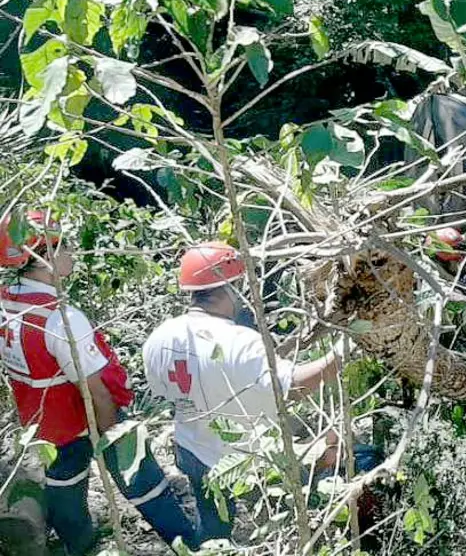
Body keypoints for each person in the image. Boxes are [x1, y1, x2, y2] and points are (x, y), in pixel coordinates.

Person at [0, 210, 197, 555]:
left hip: (44, 425)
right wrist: (113, 436)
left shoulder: (7, 300)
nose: (71, 252)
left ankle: (80, 545)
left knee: (65, 490)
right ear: (41, 257)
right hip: (85, 420)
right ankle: (188, 543)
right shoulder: (61, 319)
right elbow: (95, 390)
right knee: (142, 482)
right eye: (63, 246)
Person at [142, 242, 341, 545]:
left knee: (213, 525)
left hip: (190, 448)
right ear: (232, 287)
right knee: (288, 513)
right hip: (243, 458)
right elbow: (291, 388)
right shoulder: (240, 341)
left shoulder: (158, 338)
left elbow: (164, 390)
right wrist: (339, 356)